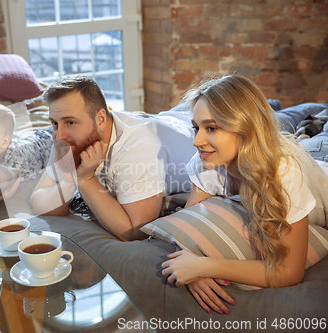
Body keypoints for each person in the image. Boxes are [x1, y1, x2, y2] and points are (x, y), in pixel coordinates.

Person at [161, 74, 328, 314]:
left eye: (211, 128)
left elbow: (289, 272)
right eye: (196, 127)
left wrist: (206, 267)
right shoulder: (209, 161)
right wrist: (192, 269)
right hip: (303, 152)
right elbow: (185, 230)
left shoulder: (282, 174)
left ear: (244, 128)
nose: (197, 141)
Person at [30, 75, 196, 241]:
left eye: (70, 122)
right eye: (54, 123)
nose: (59, 135)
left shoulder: (138, 147)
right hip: (165, 118)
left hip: (186, 124)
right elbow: (39, 202)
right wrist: (68, 179)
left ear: (100, 119)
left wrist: (84, 179)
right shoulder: (65, 139)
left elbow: (135, 231)